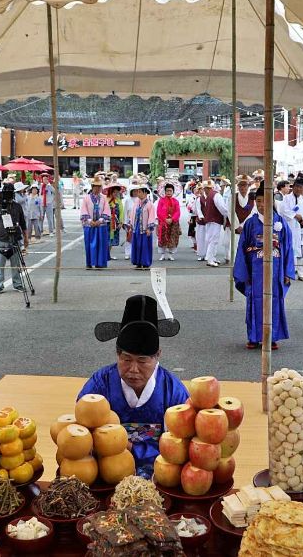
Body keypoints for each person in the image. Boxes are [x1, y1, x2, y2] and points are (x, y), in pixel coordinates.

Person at [81, 295, 189, 478]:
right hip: (107, 472)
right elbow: (81, 434)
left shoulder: (174, 392)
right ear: (117, 354)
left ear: (157, 356)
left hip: (160, 474)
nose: (133, 369)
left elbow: (182, 446)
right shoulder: (99, 385)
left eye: (142, 361)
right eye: (126, 359)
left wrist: (132, 448)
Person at [234, 184, 295, 351]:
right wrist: (243, 272)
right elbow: (242, 248)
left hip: (275, 269)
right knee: (255, 301)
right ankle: (253, 337)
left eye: (265, 201)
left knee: (274, 301)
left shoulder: (280, 221)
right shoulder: (250, 224)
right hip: (255, 270)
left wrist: (288, 271)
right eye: (258, 201)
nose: (261, 205)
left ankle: (272, 337)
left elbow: (288, 247)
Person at [0, 182, 28, 295]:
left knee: (15, 265)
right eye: (6, 193)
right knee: (0, 266)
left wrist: (26, 238)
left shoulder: (17, 206)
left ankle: (18, 284)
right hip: (0, 239)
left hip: (14, 239)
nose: (8, 195)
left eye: (10, 193)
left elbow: (23, 223)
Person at [279, 177, 303, 282]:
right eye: (297, 187)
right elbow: (283, 210)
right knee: (288, 251)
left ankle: (301, 273)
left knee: (302, 251)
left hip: (301, 229)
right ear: (293, 187)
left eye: (301, 187)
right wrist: (295, 215)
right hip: (290, 228)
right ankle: (287, 273)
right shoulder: (286, 199)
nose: (298, 189)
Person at [81, 175, 110, 269]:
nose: (97, 189)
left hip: (101, 225)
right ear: (92, 187)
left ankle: (100, 263)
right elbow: (83, 210)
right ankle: (89, 263)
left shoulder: (104, 198)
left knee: (101, 244)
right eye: (95, 186)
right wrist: (90, 220)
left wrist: (100, 220)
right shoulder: (86, 198)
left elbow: (106, 210)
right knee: (89, 245)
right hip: (89, 225)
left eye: (99, 187)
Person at [200, 179, 229, 267]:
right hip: (215, 220)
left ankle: (212, 257)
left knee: (210, 239)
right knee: (213, 240)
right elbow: (222, 209)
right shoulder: (216, 195)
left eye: (206, 188)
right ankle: (210, 259)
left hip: (210, 220)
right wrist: (227, 215)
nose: (205, 190)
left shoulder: (210, 196)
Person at [128, 183, 156, 269]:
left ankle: (145, 262)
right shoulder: (137, 203)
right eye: (138, 192)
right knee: (137, 245)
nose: (138, 193)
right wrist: (131, 225)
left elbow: (151, 216)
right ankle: (138, 262)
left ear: (145, 193)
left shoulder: (150, 204)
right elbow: (132, 214)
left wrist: (149, 228)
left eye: (140, 192)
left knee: (144, 246)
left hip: (145, 229)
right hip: (136, 228)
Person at [156, 183, 181, 261]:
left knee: (172, 237)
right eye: (167, 191)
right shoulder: (161, 201)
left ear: (173, 192)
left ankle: (170, 254)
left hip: (173, 223)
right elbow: (158, 211)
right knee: (162, 237)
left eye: (170, 191)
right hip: (163, 222)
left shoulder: (176, 201)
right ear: (165, 191)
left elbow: (178, 212)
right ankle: (162, 254)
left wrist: (172, 219)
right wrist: (165, 219)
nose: (169, 192)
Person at [105, 182, 125, 260]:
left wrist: (121, 222)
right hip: (106, 223)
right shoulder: (106, 200)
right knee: (106, 238)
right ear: (110, 191)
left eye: (117, 192)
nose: (116, 194)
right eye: (114, 192)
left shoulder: (118, 201)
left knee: (111, 239)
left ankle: (108, 255)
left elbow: (121, 212)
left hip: (115, 223)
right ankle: (105, 255)